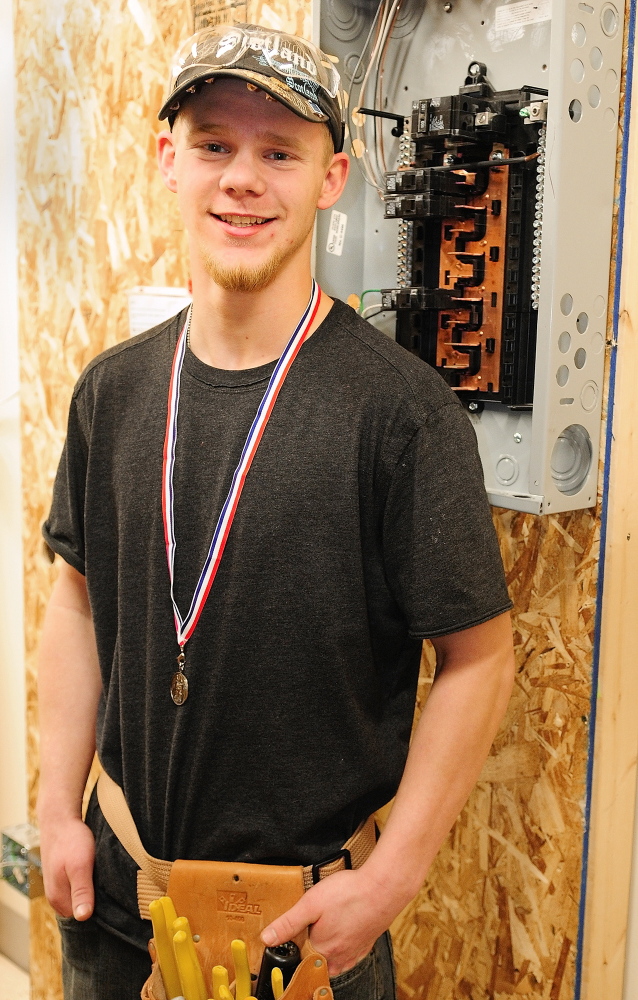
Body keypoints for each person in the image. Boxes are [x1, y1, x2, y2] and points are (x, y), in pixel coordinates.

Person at [37, 23, 515, 1000]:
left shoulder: (400, 413)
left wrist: (391, 879)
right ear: (168, 159)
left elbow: (479, 656)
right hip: (119, 911)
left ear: (330, 177)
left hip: (305, 938)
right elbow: (77, 600)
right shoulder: (113, 393)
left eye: (278, 152)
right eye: (214, 144)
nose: (241, 180)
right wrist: (54, 808)